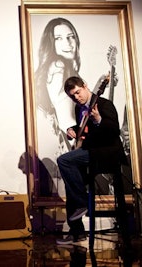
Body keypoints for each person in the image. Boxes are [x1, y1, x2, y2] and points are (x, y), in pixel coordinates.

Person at [56, 76, 124, 245]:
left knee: (64, 161)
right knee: (72, 180)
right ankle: (77, 231)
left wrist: (99, 119)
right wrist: (73, 130)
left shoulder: (104, 104)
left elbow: (114, 131)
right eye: (73, 96)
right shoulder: (81, 110)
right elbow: (86, 131)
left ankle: (81, 202)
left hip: (107, 153)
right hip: (92, 153)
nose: (76, 97)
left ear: (85, 86)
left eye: (78, 92)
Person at [32, 17, 81, 197]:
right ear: (51, 43)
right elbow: (65, 112)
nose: (68, 43)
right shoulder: (60, 66)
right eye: (58, 38)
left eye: (71, 37)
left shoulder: (51, 68)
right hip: (68, 144)